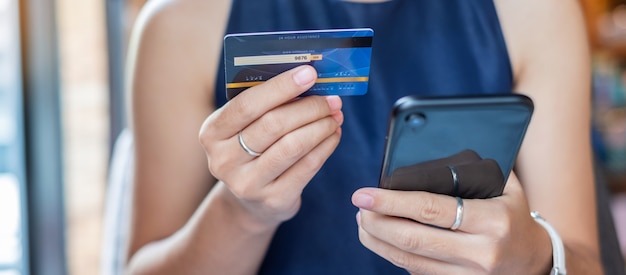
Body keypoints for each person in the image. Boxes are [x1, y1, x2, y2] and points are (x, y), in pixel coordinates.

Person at [123, 0, 602, 274]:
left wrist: (534, 258)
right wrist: (243, 212)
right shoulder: (181, 21)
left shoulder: (534, 12)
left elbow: (584, 261)